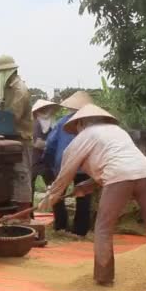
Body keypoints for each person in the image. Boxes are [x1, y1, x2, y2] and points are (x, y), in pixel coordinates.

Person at [38, 104, 146, 286]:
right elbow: (120, 163)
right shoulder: (118, 131)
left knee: (103, 228)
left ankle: (104, 278)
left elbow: (65, 175)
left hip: (119, 177)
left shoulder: (83, 137)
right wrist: (87, 185)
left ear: (81, 124)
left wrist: (50, 198)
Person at [43, 91, 93, 236]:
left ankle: (60, 226)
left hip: (64, 163)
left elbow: (50, 145)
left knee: (57, 195)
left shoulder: (62, 122)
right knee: (83, 196)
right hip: (85, 165)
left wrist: (49, 164)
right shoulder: (91, 125)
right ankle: (80, 230)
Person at [0, 55, 34, 220]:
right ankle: (9, 216)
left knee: (21, 176)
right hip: (9, 140)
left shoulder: (19, 90)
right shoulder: (8, 88)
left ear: (8, 72)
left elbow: (12, 117)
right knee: (8, 177)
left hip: (21, 140)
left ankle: (23, 218)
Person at [30, 99, 59, 193]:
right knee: (31, 186)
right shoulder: (37, 123)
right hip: (36, 159)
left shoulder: (50, 123)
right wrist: (51, 145)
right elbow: (37, 143)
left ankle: (56, 206)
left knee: (52, 186)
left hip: (45, 160)